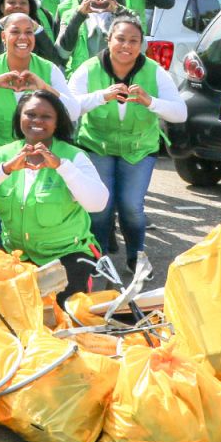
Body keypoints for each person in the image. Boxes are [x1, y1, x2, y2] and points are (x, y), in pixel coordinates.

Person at [0, 90, 109, 305]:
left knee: (64, 312)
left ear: (57, 122)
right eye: (30, 114)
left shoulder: (73, 156)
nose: (37, 121)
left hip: (65, 255)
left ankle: (87, 281)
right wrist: (4, 169)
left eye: (46, 117)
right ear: (19, 118)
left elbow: (97, 203)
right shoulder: (3, 155)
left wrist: (62, 167)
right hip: (16, 255)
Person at [70, 16, 187, 271]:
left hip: (139, 149)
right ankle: (98, 259)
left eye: (133, 41)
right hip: (96, 145)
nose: (126, 45)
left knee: (131, 207)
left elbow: (180, 113)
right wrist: (102, 96)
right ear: (109, 40)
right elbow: (69, 108)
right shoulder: (88, 69)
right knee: (100, 207)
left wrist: (151, 102)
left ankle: (137, 258)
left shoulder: (155, 71)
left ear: (141, 44)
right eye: (120, 39)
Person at [0, 13, 80, 248]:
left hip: (38, 150)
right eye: (15, 31)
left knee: (32, 205)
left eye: (29, 32)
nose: (23, 37)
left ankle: (33, 256)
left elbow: (74, 111)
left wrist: (43, 86)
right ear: (3, 36)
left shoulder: (48, 69)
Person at [57, 0, 141, 76]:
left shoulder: (127, 14)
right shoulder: (70, 15)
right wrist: (79, 17)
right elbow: (62, 53)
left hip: (119, 80)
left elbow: (142, 47)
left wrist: (119, 12)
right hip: (83, 82)